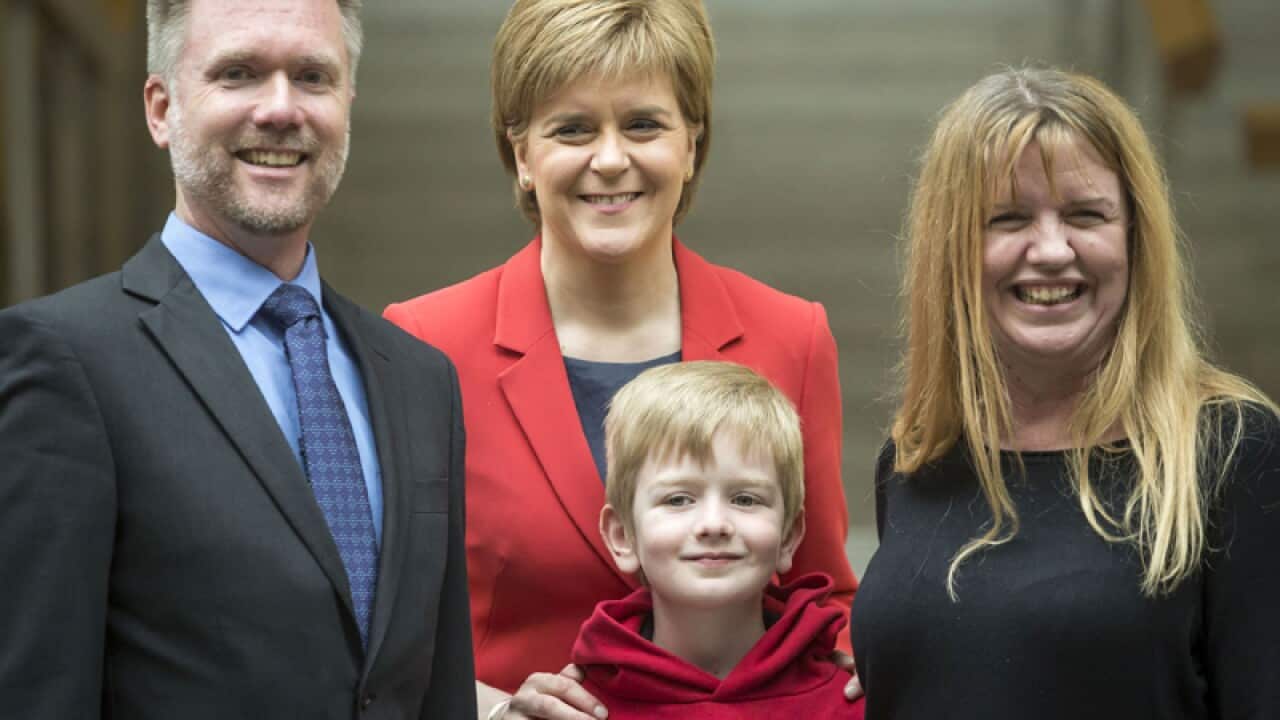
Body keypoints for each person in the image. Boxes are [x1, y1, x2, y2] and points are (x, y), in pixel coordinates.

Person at [0, 1, 475, 717]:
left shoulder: (419, 380)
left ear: (348, 102)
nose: (281, 109)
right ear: (161, 109)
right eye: (239, 74)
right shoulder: (66, 361)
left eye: (313, 77)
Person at [383, 1, 857, 717]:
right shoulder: (422, 344)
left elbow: (824, 591)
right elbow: (384, 622)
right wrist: (485, 708)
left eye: (643, 124)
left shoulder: (792, 335)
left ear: (692, 143)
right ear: (521, 155)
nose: (610, 158)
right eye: (572, 129)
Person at [849, 66, 1280, 718]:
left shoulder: (1231, 453)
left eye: (1086, 215)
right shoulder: (916, 457)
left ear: (1135, 238)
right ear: (952, 247)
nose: (1050, 250)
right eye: (1008, 218)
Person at [569, 361, 862, 719]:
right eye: (678, 499)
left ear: (789, 536)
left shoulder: (857, 706)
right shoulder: (572, 710)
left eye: (745, 499)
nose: (714, 524)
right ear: (622, 536)